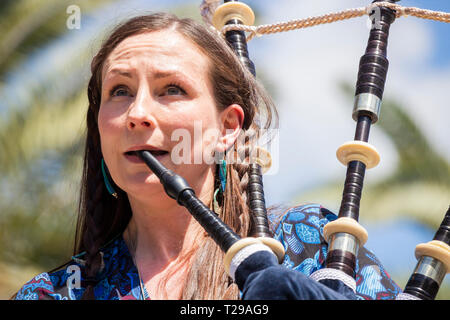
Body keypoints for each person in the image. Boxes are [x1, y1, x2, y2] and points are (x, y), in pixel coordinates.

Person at [13, 13, 402, 300]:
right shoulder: (56, 292)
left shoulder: (313, 243)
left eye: (172, 89)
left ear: (228, 128)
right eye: (119, 91)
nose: (136, 114)